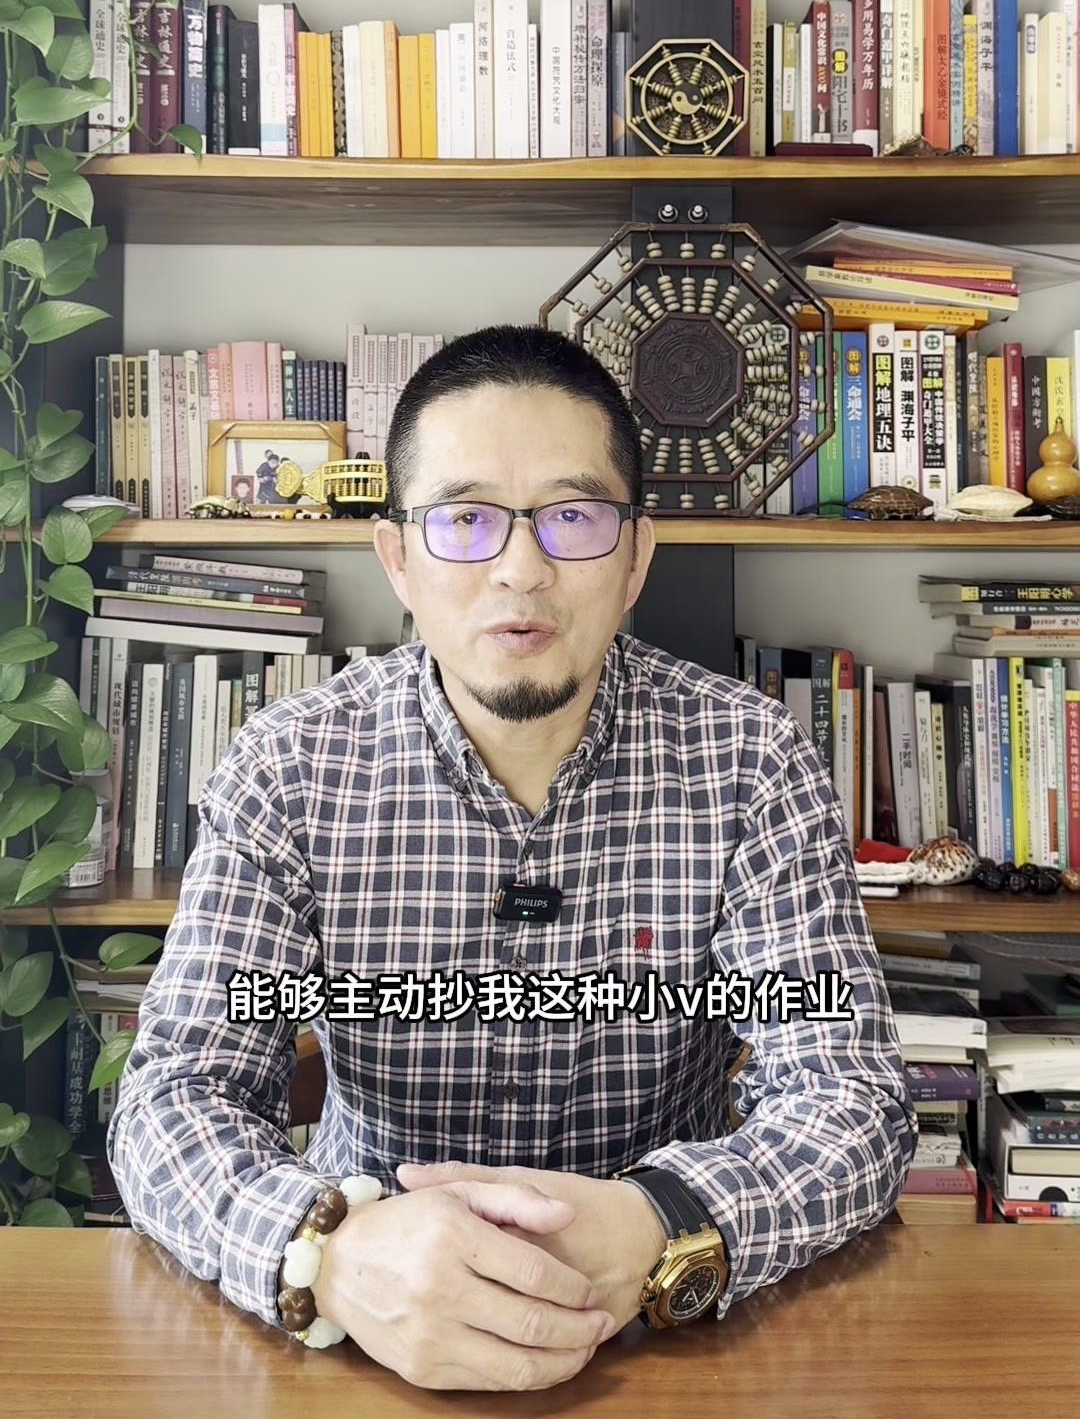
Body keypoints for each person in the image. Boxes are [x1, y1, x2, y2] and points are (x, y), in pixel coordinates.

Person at [108, 324, 916, 1394]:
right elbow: (172, 1098)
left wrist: (661, 1220)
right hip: (371, 1334)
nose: (522, 569)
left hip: (661, 1336)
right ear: (398, 557)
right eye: (465, 519)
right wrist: (331, 1255)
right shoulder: (288, 768)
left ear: (636, 557)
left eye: (574, 517)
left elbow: (851, 1098)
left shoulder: (751, 761)